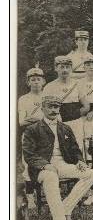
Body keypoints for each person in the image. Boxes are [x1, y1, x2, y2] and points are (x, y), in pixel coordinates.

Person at [22, 95, 93, 220]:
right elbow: (29, 154)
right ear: (42, 108)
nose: (53, 110)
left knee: (90, 173)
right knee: (51, 177)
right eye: (49, 107)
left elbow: (75, 149)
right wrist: (45, 165)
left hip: (62, 164)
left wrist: (80, 161)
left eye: (56, 107)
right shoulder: (33, 129)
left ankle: (64, 209)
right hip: (41, 168)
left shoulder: (65, 128)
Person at [42, 56, 90, 148]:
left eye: (67, 67)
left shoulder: (78, 84)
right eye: (62, 67)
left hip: (76, 123)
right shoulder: (49, 87)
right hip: (57, 123)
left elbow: (86, 106)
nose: (65, 70)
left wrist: (75, 115)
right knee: (59, 149)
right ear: (56, 68)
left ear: (71, 69)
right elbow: (44, 108)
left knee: (77, 147)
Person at [18, 67, 46, 210]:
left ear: (43, 81)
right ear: (28, 82)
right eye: (33, 80)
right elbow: (22, 121)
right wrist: (40, 118)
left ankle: (45, 191)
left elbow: (57, 117)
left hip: (46, 136)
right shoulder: (23, 99)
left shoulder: (47, 96)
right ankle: (30, 196)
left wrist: (33, 118)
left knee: (46, 162)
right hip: (29, 136)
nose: (36, 82)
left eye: (38, 79)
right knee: (29, 165)